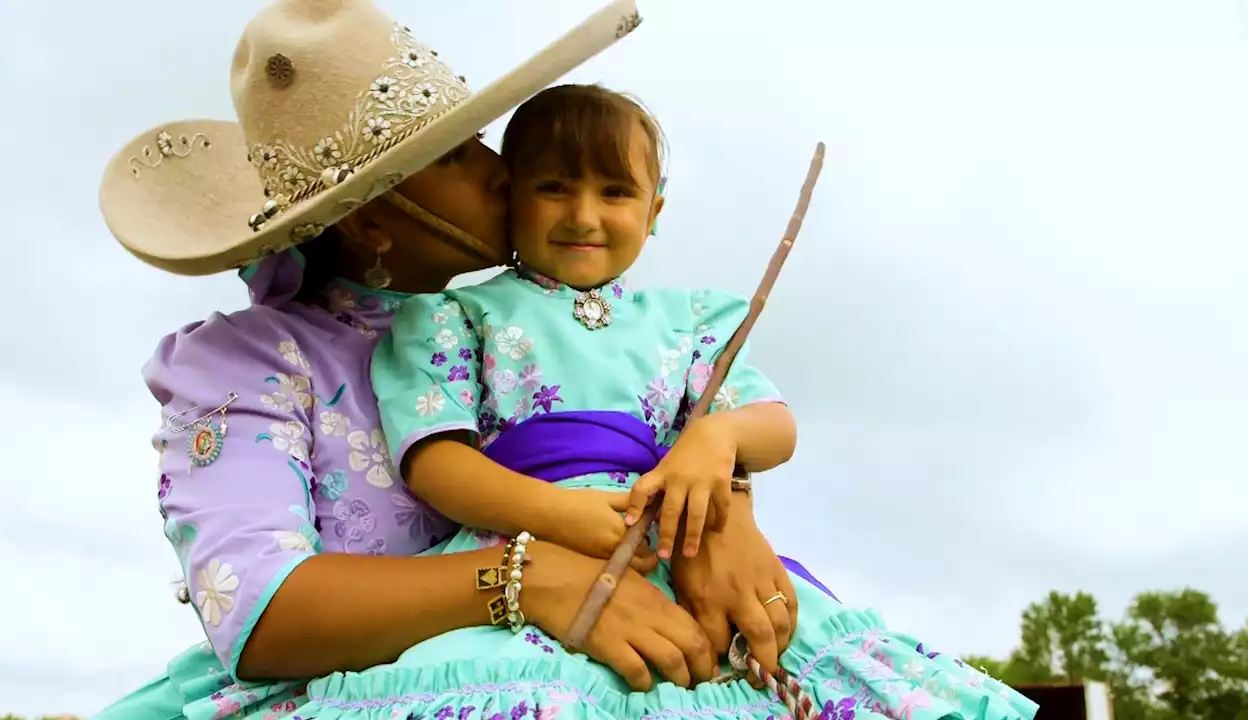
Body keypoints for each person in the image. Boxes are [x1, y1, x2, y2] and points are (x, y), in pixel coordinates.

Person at [93, 2, 802, 718]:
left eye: (479, 138)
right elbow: (259, 612)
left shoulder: (513, 322)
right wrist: (524, 581)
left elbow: (666, 429)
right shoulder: (243, 363)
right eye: (457, 154)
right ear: (375, 215)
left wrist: (724, 521)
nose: (501, 172)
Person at [296, 84, 1042, 719]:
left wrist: (714, 443)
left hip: (682, 538)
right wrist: (560, 516)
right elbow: (435, 462)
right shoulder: (452, 315)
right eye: (554, 187)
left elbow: (775, 427)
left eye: (614, 192)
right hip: (532, 544)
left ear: (654, 210)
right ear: (509, 198)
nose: (584, 216)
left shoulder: (692, 318)